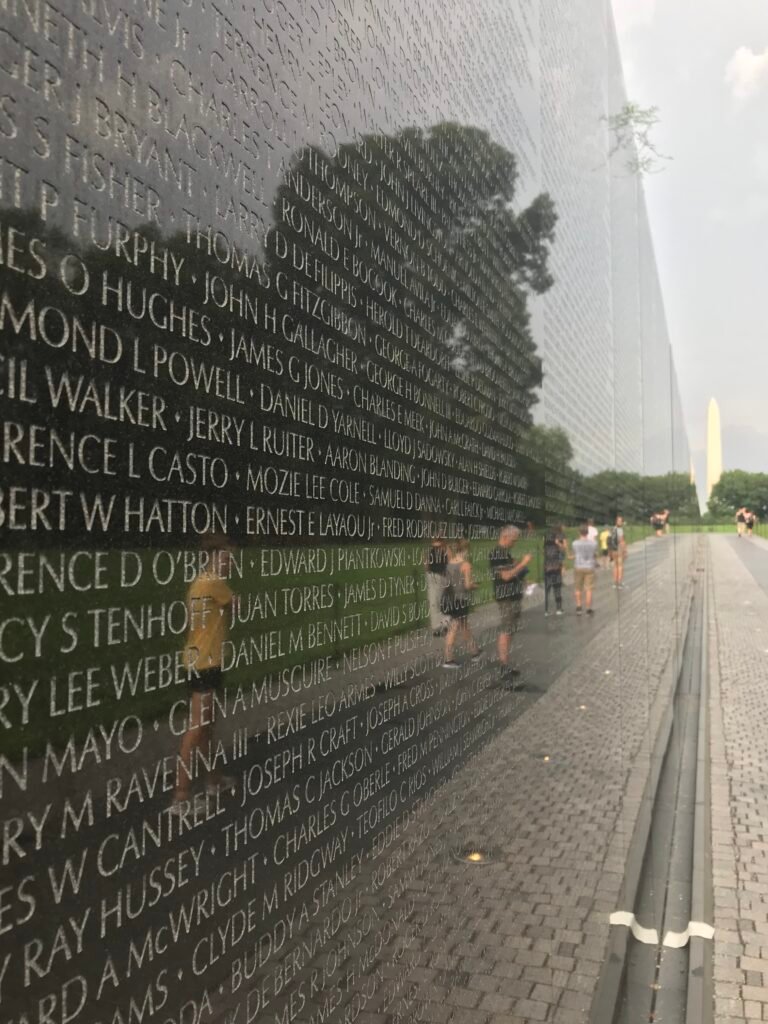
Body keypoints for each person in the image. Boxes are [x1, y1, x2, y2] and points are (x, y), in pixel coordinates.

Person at [171, 534, 238, 813]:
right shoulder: (212, 583)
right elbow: (236, 608)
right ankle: (181, 797)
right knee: (197, 727)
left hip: (199, 661)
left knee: (207, 726)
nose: (228, 564)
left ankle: (214, 780)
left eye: (230, 559)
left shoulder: (198, 583)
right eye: (224, 559)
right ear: (210, 558)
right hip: (205, 664)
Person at [489, 525, 533, 680]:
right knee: (506, 630)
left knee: (510, 630)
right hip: (506, 597)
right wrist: (523, 563)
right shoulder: (497, 554)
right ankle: (503, 666)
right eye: (513, 540)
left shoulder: (505, 554)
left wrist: (522, 576)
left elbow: (513, 573)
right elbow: (505, 576)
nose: (514, 543)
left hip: (514, 595)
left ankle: (506, 664)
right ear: (505, 537)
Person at [442, 539, 480, 668]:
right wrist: (475, 585)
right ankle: (448, 659)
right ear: (466, 550)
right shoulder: (466, 565)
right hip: (461, 599)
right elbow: (468, 585)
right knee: (454, 628)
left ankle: (475, 652)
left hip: (451, 598)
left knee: (464, 627)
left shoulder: (449, 563)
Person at [572, 524, 598, 615]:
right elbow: (594, 553)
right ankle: (588, 608)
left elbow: (575, 553)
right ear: (587, 532)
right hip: (589, 567)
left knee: (578, 588)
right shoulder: (594, 543)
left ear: (579, 532)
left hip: (578, 566)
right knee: (589, 589)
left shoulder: (575, 543)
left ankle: (579, 607)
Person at [425, 537, 448, 636]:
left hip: (433, 576)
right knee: (439, 602)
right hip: (439, 576)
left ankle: (437, 627)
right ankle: (441, 626)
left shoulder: (430, 551)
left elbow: (426, 565)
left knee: (434, 603)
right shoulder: (444, 550)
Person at [543, 524, 567, 616]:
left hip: (547, 568)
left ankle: (546, 610)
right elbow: (562, 552)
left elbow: (544, 553)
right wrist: (559, 543)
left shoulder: (546, 547)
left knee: (547, 588)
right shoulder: (557, 547)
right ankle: (559, 608)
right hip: (556, 567)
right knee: (557, 588)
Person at [609, 515, 628, 589]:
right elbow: (621, 541)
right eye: (619, 521)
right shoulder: (620, 530)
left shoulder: (613, 529)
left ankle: (615, 583)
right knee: (620, 567)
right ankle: (619, 583)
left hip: (613, 550)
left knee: (615, 566)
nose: (620, 522)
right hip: (619, 550)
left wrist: (610, 552)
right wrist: (625, 551)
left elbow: (609, 540)